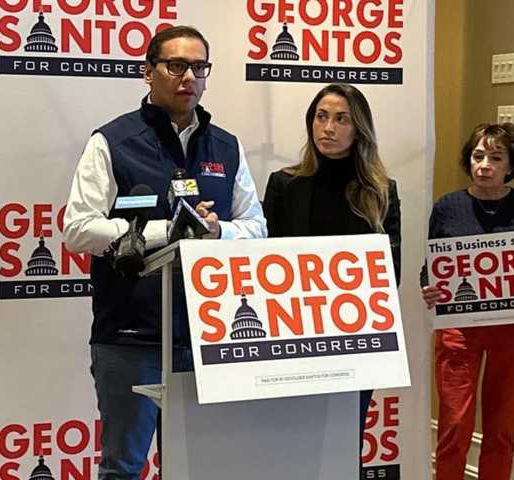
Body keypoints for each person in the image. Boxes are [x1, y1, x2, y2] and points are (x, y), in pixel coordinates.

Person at [63, 25, 266, 480]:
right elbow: (77, 229)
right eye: (175, 65)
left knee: (201, 466)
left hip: (208, 336)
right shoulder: (112, 142)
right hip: (131, 336)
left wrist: (215, 234)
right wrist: (168, 232)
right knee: (123, 468)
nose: (188, 77)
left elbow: (256, 227)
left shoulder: (226, 147)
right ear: (148, 73)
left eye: (199, 67)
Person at [421, 123, 514, 480]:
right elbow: (431, 267)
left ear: (510, 165)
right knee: (454, 426)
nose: (485, 165)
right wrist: (428, 286)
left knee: (501, 428)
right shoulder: (448, 207)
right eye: (478, 156)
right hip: (460, 328)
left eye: (495, 157)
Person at [262, 83, 401, 467]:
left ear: (359, 129)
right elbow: (263, 265)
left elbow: (392, 274)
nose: (329, 127)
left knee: (342, 449)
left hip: (356, 341)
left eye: (341, 119)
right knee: (292, 448)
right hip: (293, 337)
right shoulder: (284, 184)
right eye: (321, 117)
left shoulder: (381, 191)